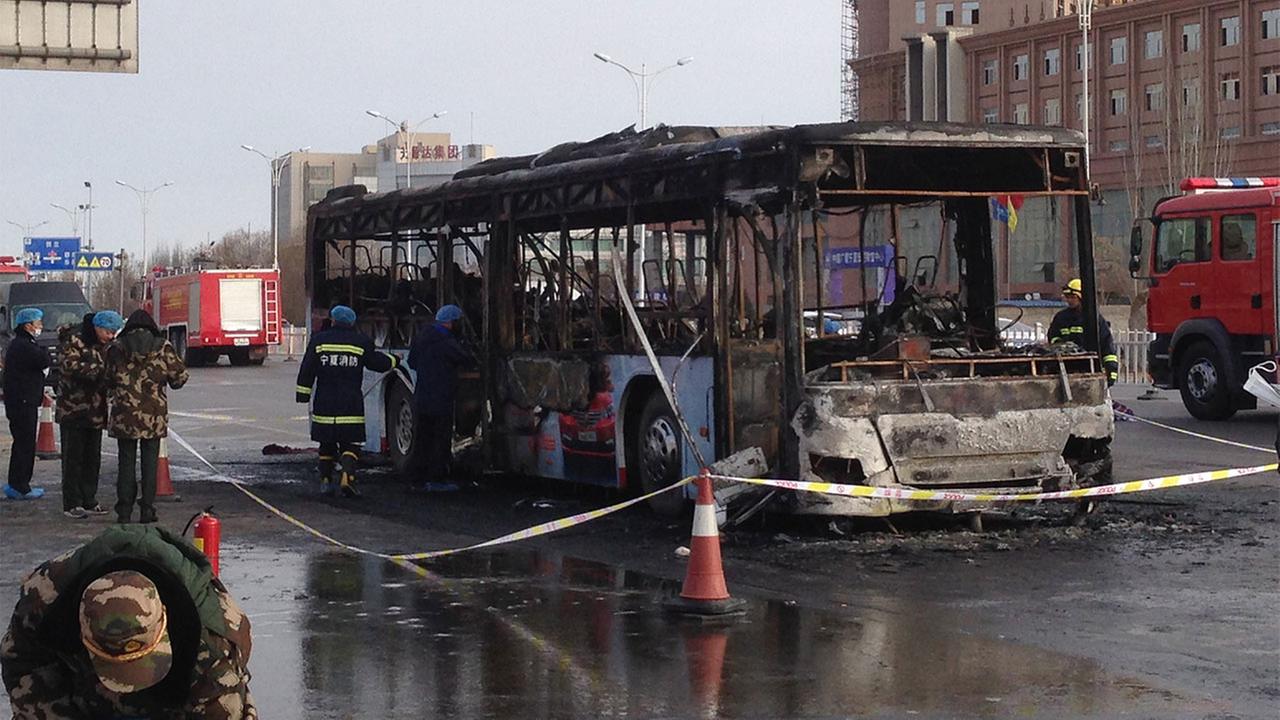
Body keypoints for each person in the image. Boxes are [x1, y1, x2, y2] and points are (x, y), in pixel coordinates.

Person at [0, 524, 256, 719]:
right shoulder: (44, 601)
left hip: (175, 699)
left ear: (164, 625)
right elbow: (22, 668)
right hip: (80, 689)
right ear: (81, 632)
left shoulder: (214, 644)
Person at [295, 305, 397, 497]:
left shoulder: (319, 341)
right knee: (352, 443)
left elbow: (307, 369)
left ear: (333, 320)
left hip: (324, 403)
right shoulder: (360, 342)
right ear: (352, 323)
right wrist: (394, 360)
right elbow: (377, 363)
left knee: (326, 443)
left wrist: (303, 394)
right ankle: (347, 477)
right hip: (350, 403)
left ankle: (326, 481)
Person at [106, 309, 189, 523]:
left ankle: (124, 511)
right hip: (153, 414)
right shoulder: (163, 347)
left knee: (126, 463)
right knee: (150, 463)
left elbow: (106, 378)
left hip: (124, 414)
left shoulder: (116, 348)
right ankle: (147, 509)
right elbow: (179, 378)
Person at [56, 310, 123, 519]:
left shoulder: (107, 346)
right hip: (73, 410)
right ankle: (72, 503)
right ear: (96, 327)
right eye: (107, 332)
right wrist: (99, 371)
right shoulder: (75, 340)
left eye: (114, 332)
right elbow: (68, 366)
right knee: (73, 458)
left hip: (95, 411)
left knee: (92, 458)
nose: (111, 336)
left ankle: (89, 499)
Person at [408, 304, 476, 489]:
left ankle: (417, 479)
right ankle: (436, 479)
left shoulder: (421, 337)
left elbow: (411, 362)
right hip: (441, 397)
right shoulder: (446, 342)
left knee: (422, 439)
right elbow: (467, 359)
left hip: (422, 396)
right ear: (452, 323)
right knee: (440, 439)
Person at [2, 308, 50, 500]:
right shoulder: (23, 345)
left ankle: (18, 483)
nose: (40, 326)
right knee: (25, 443)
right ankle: (21, 485)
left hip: (21, 400)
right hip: (23, 401)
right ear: (28, 324)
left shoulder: (22, 343)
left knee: (23, 443)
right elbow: (43, 360)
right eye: (38, 322)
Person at [1049, 278, 1119, 386]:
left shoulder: (1094, 319)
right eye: (1068, 297)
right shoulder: (1061, 318)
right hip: (1066, 370)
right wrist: (1061, 346)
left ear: (1082, 297)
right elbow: (1052, 337)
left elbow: (1107, 346)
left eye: (1073, 297)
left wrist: (1111, 372)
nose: (1069, 300)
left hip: (1091, 369)